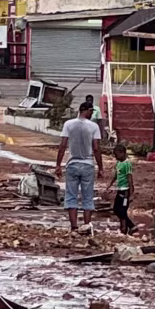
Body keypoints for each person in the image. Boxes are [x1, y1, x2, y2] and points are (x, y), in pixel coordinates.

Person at [55, 98, 104, 236]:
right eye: (91, 111)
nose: (91, 114)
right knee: (87, 197)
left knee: (71, 196)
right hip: (88, 164)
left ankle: (74, 227)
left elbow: (63, 145)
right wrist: (100, 167)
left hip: (72, 164)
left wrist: (58, 165)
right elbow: (96, 148)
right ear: (87, 111)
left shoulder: (68, 124)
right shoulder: (93, 127)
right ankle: (87, 227)